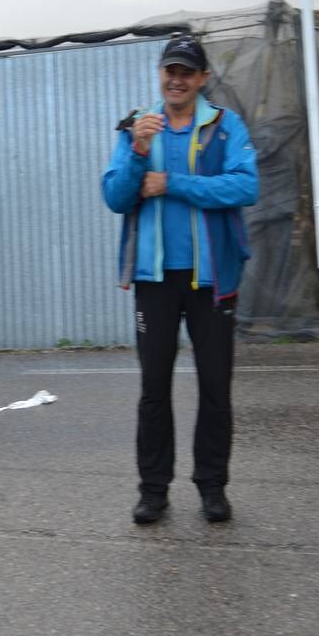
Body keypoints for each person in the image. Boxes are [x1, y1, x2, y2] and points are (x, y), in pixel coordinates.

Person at [101, 34, 258, 525]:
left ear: (203, 79)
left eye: (187, 71)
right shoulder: (137, 127)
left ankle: (213, 486)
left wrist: (174, 183)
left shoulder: (225, 126)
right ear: (160, 74)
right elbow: (116, 196)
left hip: (212, 281)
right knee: (154, 388)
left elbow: (246, 184)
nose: (177, 79)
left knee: (215, 385)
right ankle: (153, 490)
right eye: (171, 70)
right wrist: (138, 151)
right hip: (155, 280)